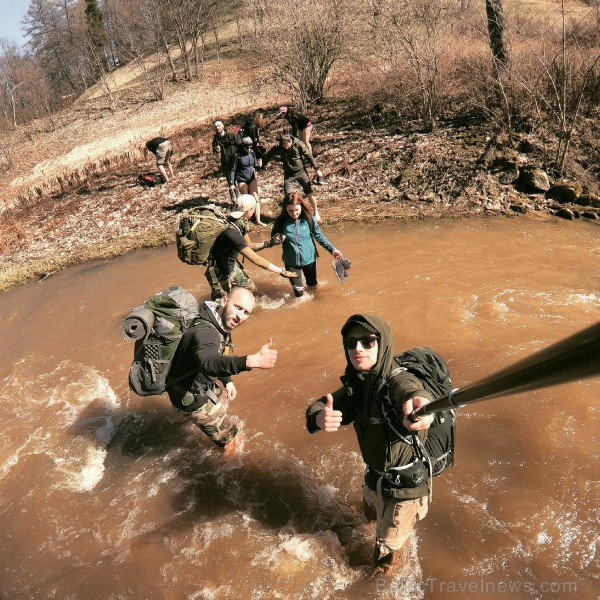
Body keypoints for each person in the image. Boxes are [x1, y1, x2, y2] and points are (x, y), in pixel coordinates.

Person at [305, 314, 435, 576]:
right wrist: (318, 417)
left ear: (382, 343)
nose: (358, 349)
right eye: (351, 343)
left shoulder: (396, 380)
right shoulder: (358, 382)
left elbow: (411, 390)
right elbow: (320, 404)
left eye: (367, 341)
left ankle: (386, 577)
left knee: (384, 558)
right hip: (374, 476)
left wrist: (421, 405)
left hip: (403, 491)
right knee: (367, 518)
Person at [166, 287, 277, 453]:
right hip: (192, 395)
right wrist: (250, 361)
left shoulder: (217, 320)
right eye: (238, 307)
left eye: (246, 312)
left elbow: (217, 356)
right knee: (233, 441)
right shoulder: (206, 332)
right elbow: (209, 361)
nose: (240, 316)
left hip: (188, 385)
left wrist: (227, 381)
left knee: (221, 403)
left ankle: (185, 418)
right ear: (224, 300)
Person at [205, 194, 296, 301]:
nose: (254, 212)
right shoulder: (232, 232)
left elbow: (248, 246)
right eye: (253, 209)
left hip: (230, 266)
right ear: (248, 210)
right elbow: (256, 259)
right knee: (224, 302)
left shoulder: (237, 223)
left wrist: (269, 243)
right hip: (220, 273)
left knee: (251, 290)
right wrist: (281, 271)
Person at [271, 192, 342, 297]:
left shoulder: (309, 218)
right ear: (285, 208)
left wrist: (333, 250)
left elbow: (319, 236)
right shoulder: (281, 221)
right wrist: (277, 239)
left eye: (296, 210)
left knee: (313, 287)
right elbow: (273, 237)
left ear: (301, 206)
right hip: (291, 262)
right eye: (290, 210)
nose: (294, 213)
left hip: (309, 260)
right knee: (299, 294)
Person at [262, 134, 325, 222]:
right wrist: (261, 167)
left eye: (286, 145)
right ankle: (291, 216)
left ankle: (316, 212)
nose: (285, 147)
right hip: (288, 174)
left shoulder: (298, 144)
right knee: (288, 196)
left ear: (290, 142)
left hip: (301, 171)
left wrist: (317, 169)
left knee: (309, 192)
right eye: (283, 145)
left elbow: (309, 156)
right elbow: (268, 155)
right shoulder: (278, 146)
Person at [230, 137, 265, 226]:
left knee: (256, 198)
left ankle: (258, 220)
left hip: (251, 178)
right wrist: (231, 183)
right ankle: (244, 221)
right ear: (242, 147)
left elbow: (255, 164)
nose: (249, 149)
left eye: (250, 147)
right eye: (247, 148)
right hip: (241, 179)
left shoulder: (252, 153)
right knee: (245, 202)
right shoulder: (237, 155)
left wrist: (260, 168)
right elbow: (233, 169)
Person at [212, 120, 242, 190]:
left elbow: (240, 145)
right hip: (226, 163)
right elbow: (216, 156)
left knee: (239, 181)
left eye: (219, 126)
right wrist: (217, 151)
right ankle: (234, 200)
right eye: (215, 126)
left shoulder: (231, 135)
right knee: (231, 185)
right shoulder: (216, 140)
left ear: (223, 126)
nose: (217, 128)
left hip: (236, 160)